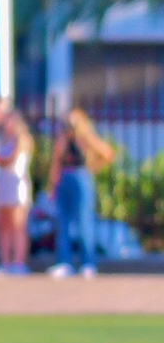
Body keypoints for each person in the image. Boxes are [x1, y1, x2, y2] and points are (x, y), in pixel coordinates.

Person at [46, 108, 115, 279]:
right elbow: (56, 162)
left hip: (80, 177)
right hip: (64, 178)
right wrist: (52, 186)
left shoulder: (85, 138)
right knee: (63, 222)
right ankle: (64, 262)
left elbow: (107, 153)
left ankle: (88, 263)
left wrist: (92, 168)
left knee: (84, 221)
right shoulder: (62, 139)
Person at [0, 110, 33, 273]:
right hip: (2, 183)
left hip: (16, 184)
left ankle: (18, 261)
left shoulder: (22, 138)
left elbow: (10, 159)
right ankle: (5, 261)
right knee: (3, 225)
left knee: (17, 224)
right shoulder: (0, 139)